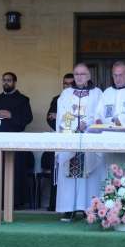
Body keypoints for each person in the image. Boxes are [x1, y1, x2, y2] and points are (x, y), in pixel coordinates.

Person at [55, 63, 103, 221]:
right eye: (77, 74)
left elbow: (99, 112)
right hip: (70, 138)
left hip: (89, 137)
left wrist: (87, 123)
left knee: (89, 175)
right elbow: (62, 112)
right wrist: (75, 126)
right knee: (68, 174)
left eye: (83, 74)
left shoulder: (97, 93)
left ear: (89, 76)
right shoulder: (66, 93)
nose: (79, 76)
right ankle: (69, 209)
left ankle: (88, 209)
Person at [0, 72, 33, 208]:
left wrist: (11, 115)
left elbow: (28, 118)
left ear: (15, 83)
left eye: (9, 80)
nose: (6, 83)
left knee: (16, 170)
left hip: (15, 139)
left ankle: (16, 202)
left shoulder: (23, 99)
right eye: (4, 80)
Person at [45, 73, 74, 211]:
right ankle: (55, 204)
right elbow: (49, 118)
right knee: (59, 172)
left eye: (70, 83)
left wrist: (60, 117)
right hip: (60, 139)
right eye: (65, 84)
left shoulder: (79, 99)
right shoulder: (57, 99)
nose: (67, 86)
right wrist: (58, 122)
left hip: (75, 140)